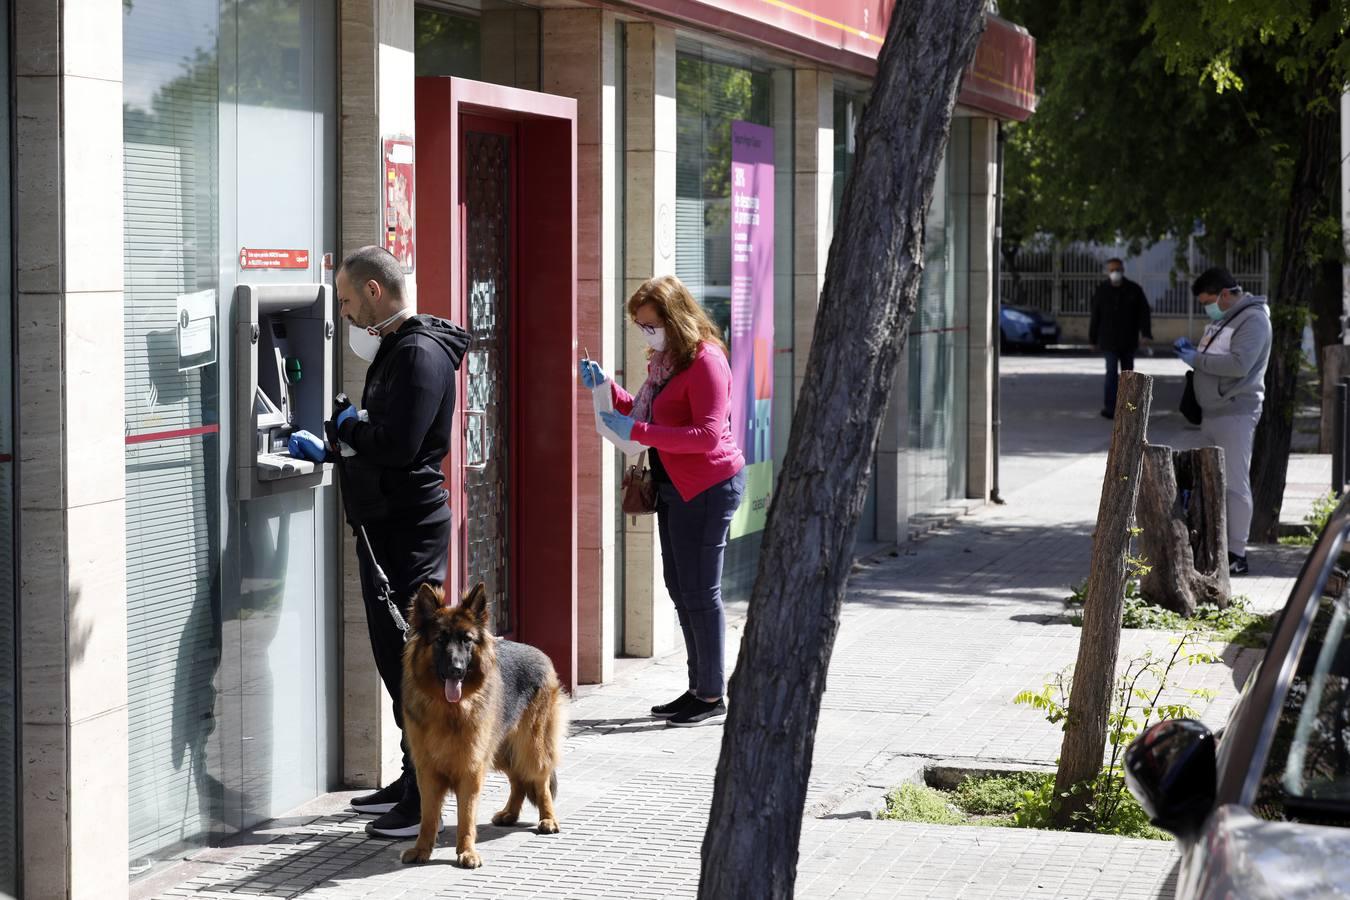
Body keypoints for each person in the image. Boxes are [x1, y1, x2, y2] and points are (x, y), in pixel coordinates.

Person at [331, 246, 469, 836]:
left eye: (344, 300)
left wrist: (349, 428)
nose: (343, 315)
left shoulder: (415, 354)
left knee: (410, 661)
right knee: (394, 660)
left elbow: (398, 444)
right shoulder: (399, 348)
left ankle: (424, 803)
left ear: (372, 292)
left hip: (406, 524)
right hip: (387, 519)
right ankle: (412, 775)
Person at [579, 275, 746, 727]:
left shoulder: (706, 360)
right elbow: (648, 413)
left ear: (674, 318)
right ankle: (698, 688)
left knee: (701, 592)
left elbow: (708, 435)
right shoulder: (665, 363)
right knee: (679, 587)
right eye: (639, 326)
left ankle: (711, 695)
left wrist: (638, 431)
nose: (645, 333)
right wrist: (607, 390)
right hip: (675, 485)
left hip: (708, 486)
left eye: (650, 324)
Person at [1173, 266, 1272, 577]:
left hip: (1235, 411)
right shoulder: (1225, 318)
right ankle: (1218, 546)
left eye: (1209, 300)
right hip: (1213, 411)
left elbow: (1239, 364)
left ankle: (1237, 554)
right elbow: (1215, 354)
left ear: (1226, 294)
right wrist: (1193, 352)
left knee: (1235, 484)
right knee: (1214, 481)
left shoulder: (1254, 319)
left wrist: (1196, 359)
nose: (1208, 307)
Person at [1088, 258, 1153, 418]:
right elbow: (1095, 316)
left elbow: (1144, 313)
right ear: (1108, 272)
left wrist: (1146, 334)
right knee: (1111, 374)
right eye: (1111, 270)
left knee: (1128, 376)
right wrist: (1093, 340)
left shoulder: (1134, 290)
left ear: (1123, 270)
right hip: (1109, 341)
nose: (1115, 272)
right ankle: (1110, 408)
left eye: (1117, 269)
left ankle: (1128, 409)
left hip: (1128, 341)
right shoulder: (1102, 290)